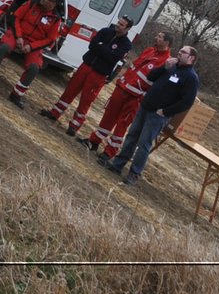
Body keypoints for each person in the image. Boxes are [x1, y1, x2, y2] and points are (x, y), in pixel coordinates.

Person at [102, 44, 200, 186]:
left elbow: (186, 103)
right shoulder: (171, 65)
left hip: (158, 114)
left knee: (144, 144)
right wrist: (164, 67)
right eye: (179, 51)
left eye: (183, 52)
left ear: (191, 58)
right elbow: (151, 77)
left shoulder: (191, 78)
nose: (179, 53)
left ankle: (134, 174)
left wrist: (165, 111)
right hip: (145, 107)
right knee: (131, 136)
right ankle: (118, 164)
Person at [81, 31, 173, 159]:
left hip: (136, 97)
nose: (155, 37)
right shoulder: (149, 50)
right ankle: (94, 141)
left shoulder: (166, 62)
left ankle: (109, 152)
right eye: (157, 35)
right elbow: (134, 68)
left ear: (166, 42)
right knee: (109, 115)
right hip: (122, 88)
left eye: (159, 37)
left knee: (122, 125)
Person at [40, 16, 133, 136]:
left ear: (128, 28)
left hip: (99, 74)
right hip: (86, 66)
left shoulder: (126, 44)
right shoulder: (105, 31)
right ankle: (54, 113)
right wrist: (105, 49)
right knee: (70, 90)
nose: (118, 25)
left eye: (121, 25)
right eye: (118, 22)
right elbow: (92, 45)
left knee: (86, 100)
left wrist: (101, 47)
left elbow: (112, 57)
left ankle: (74, 125)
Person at [0, 0, 63, 107]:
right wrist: (19, 37)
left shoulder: (56, 20)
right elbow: (16, 18)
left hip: (33, 44)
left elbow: (49, 40)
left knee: (34, 68)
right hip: (18, 34)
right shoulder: (31, 4)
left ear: (53, 4)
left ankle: (16, 95)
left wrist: (31, 47)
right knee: (4, 48)